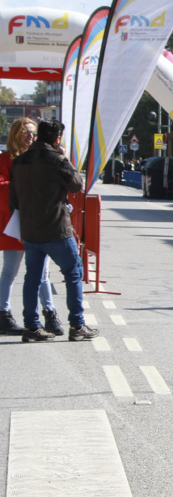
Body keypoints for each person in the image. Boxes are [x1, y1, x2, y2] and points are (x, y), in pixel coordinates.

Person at [8, 120, 98, 343]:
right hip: (56, 229)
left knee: (32, 278)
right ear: (57, 139)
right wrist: (65, 158)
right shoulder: (57, 160)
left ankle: (32, 327)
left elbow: (13, 199)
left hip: (29, 230)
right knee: (74, 272)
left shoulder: (19, 161)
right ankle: (77, 325)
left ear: (38, 136)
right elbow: (76, 185)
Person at [0, 117, 62, 336]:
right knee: (10, 270)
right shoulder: (6, 159)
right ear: (16, 134)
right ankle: (3, 313)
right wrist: (24, 184)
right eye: (26, 133)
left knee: (43, 272)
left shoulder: (38, 157)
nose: (30, 137)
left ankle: (50, 313)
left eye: (33, 133)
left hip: (37, 221)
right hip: (15, 223)